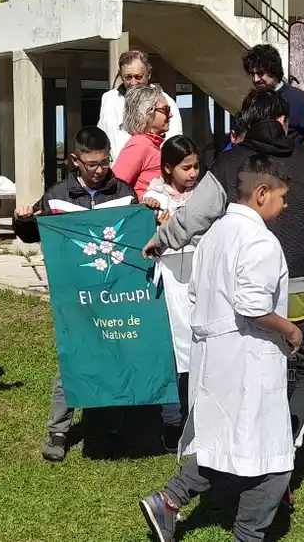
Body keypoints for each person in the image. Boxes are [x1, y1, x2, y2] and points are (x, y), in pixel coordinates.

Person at [144, 89, 304, 451]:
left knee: (250, 369)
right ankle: (285, 442)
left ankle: (235, 442)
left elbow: (194, 217)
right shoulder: (302, 158)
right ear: (280, 121)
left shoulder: (228, 164)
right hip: (298, 285)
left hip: (241, 291)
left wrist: (162, 240)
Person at [139, 154, 301, 542]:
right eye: (282, 197)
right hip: (249, 358)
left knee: (225, 443)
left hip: (214, 358)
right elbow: (252, 305)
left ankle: (169, 499)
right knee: (275, 458)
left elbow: (196, 291)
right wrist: (290, 330)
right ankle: (248, 534)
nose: (285, 206)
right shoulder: (260, 239)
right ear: (262, 193)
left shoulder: (214, 233)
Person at [11, 127, 137, 461]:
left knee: (115, 355)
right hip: (73, 295)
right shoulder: (56, 197)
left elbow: (138, 235)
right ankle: (58, 430)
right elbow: (31, 234)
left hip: (114, 292)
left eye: (105, 162)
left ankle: (112, 425)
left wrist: (150, 211)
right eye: (92, 164)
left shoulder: (124, 192)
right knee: (74, 358)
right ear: (74, 161)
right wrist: (21, 220)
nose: (99, 170)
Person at [142, 135, 202, 452]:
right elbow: (144, 236)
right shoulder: (155, 196)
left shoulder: (204, 196)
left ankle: (199, 415)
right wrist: (152, 216)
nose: (192, 174)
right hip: (169, 281)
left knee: (198, 345)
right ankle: (171, 420)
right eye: (185, 168)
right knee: (171, 350)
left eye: (195, 167)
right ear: (168, 168)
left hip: (198, 277)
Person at [97, 51, 182, 161]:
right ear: (120, 74)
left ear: (149, 73)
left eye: (138, 77)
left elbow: (173, 141)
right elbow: (102, 136)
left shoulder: (165, 102)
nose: (133, 83)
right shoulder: (108, 99)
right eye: (128, 77)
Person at [243, 44, 304, 149]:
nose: (255, 79)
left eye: (260, 73)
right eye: (252, 74)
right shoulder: (252, 101)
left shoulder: (297, 99)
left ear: (274, 70)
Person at [112, 84, 173, 199]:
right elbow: (115, 189)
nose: (170, 114)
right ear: (147, 111)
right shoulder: (140, 144)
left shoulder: (149, 144)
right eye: (166, 109)